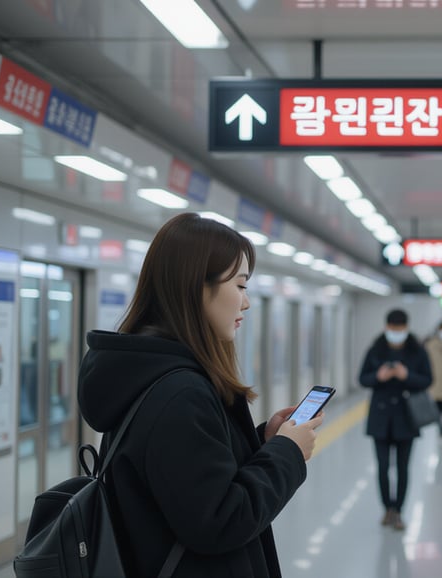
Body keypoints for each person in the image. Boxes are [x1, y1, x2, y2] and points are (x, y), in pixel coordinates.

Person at [77, 213, 322, 578]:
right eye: (240, 286)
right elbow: (220, 521)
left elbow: (189, 480)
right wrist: (286, 455)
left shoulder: (150, 374)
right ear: (195, 287)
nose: (246, 303)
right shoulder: (180, 394)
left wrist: (265, 444)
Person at [359, 309, 433, 531]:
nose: (396, 333)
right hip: (380, 417)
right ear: (386, 327)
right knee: (382, 467)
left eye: (400, 329)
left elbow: (428, 380)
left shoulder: (418, 351)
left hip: (406, 417)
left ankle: (399, 510)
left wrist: (406, 376)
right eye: (393, 329)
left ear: (406, 328)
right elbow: (363, 378)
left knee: (403, 467)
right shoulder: (375, 349)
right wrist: (378, 377)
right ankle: (387, 509)